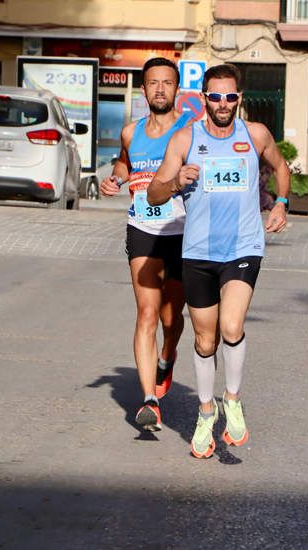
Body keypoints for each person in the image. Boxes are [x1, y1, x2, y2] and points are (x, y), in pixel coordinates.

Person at [148, 64, 290, 459]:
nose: (223, 103)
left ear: (239, 98)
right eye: (215, 96)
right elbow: (154, 194)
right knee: (205, 339)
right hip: (197, 253)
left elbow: (280, 167)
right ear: (204, 97)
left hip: (243, 248)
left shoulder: (255, 134)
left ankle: (232, 399)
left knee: (231, 327)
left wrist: (281, 203)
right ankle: (206, 412)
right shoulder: (185, 139)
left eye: (230, 96)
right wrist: (177, 182)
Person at [99, 57, 192, 432]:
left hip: (185, 231)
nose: (159, 89)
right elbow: (126, 163)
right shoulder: (130, 132)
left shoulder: (191, 129)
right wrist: (116, 179)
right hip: (143, 228)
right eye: (153, 83)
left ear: (177, 90)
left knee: (172, 318)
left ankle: (167, 358)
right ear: (143, 90)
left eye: (166, 83)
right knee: (147, 314)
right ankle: (149, 400)